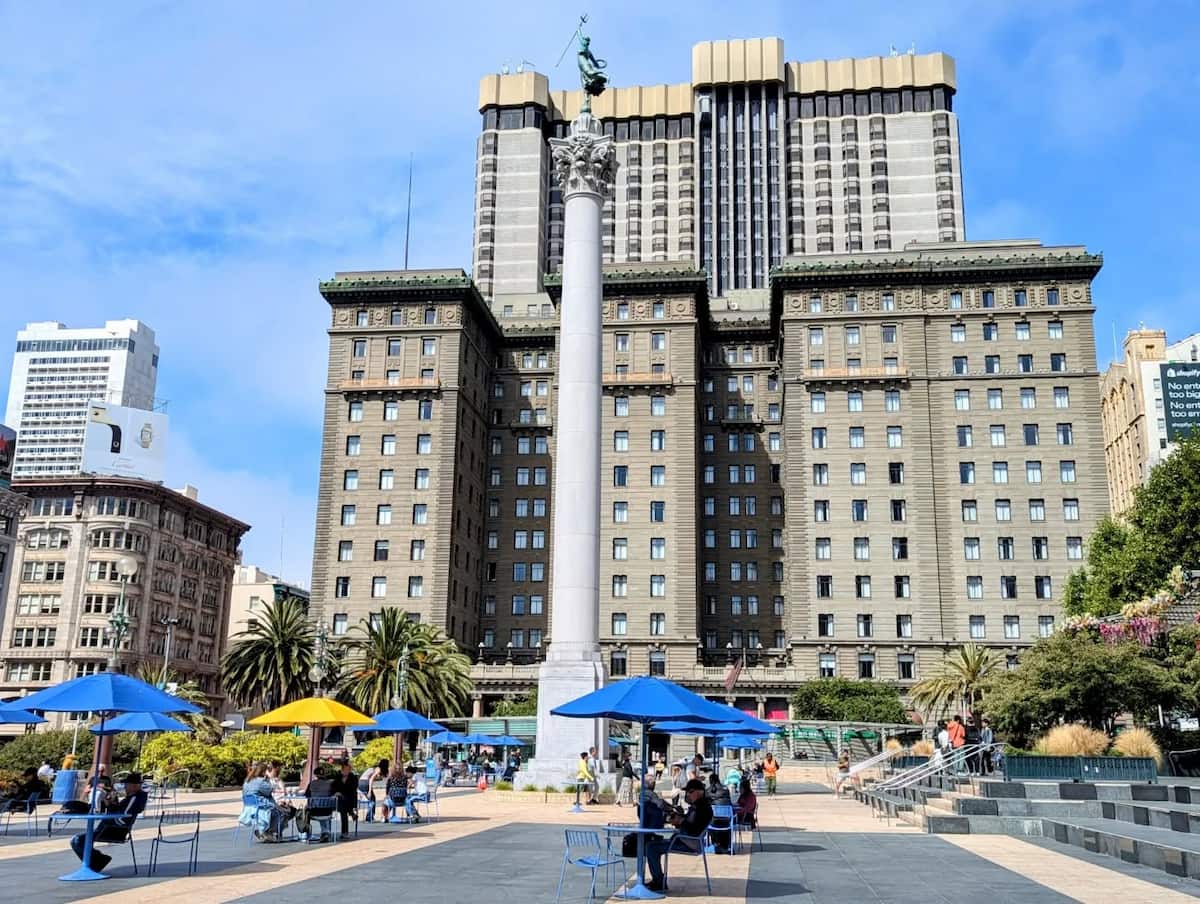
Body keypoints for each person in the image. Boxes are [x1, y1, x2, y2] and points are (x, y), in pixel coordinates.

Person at [643, 779, 713, 893]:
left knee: (651, 847)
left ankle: (659, 882)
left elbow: (693, 828)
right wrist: (680, 818)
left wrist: (680, 821)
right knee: (653, 844)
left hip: (689, 843)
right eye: (687, 792)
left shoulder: (700, 808)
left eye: (690, 792)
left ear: (699, 792)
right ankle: (658, 881)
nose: (688, 794)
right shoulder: (702, 806)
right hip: (688, 841)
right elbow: (692, 823)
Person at [69, 772, 147, 872]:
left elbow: (123, 818)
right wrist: (110, 803)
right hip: (110, 828)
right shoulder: (131, 798)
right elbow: (119, 812)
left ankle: (98, 862)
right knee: (80, 840)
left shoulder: (134, 799)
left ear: (134, 786)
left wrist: (108, 816)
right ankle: (98, 862)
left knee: (77, 840)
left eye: (126, 785)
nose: (125, 787)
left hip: (114, 830)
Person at [329, 758, 359, 836]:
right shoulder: (338, 777)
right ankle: (351, 813)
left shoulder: (353, 778)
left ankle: (344, 832)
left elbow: (353, 789)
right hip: (339, 800)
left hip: (349, 799)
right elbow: (333, 787)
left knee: (343, 810)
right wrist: (337, 793)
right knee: (343, 808)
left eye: (348, 769)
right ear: (342, 770)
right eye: (344, 769)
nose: (346, 771)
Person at [358, 758, 388, 823]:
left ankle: (370, 816)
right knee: (372, 800)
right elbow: (371, 779)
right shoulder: (378, 769)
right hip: (365, 782)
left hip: (360, 782)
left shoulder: (373, 768)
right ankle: (369, 817)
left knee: (371, 799)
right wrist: (369, 791)